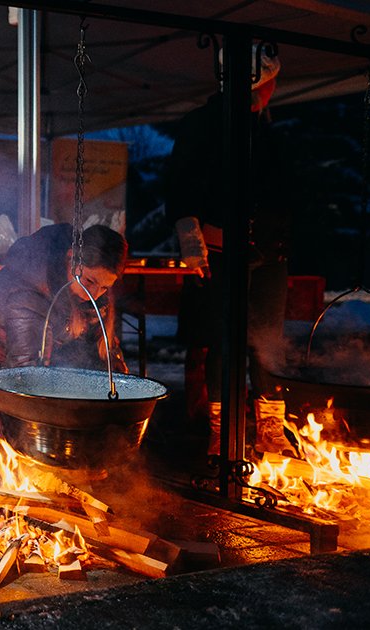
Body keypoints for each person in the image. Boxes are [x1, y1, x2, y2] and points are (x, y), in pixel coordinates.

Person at [163, 48, 294, 457]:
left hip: (269, 253)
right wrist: (191, 241)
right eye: (270, 82)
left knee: (268, 342)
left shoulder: (266, 131)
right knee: (224, 341)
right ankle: (224, 434)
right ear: (262, 82)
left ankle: (271, 431)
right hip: (219, 250)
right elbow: (181, 186)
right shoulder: (203, 125)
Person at [0, 223, 129, 437]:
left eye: (104, 287)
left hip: (28, 366)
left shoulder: (84, 292)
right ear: (71, 258)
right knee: (10, 444)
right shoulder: (29, 293)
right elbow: (26, 377)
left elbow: (101, 351)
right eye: (90, 281)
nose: (94, 293)